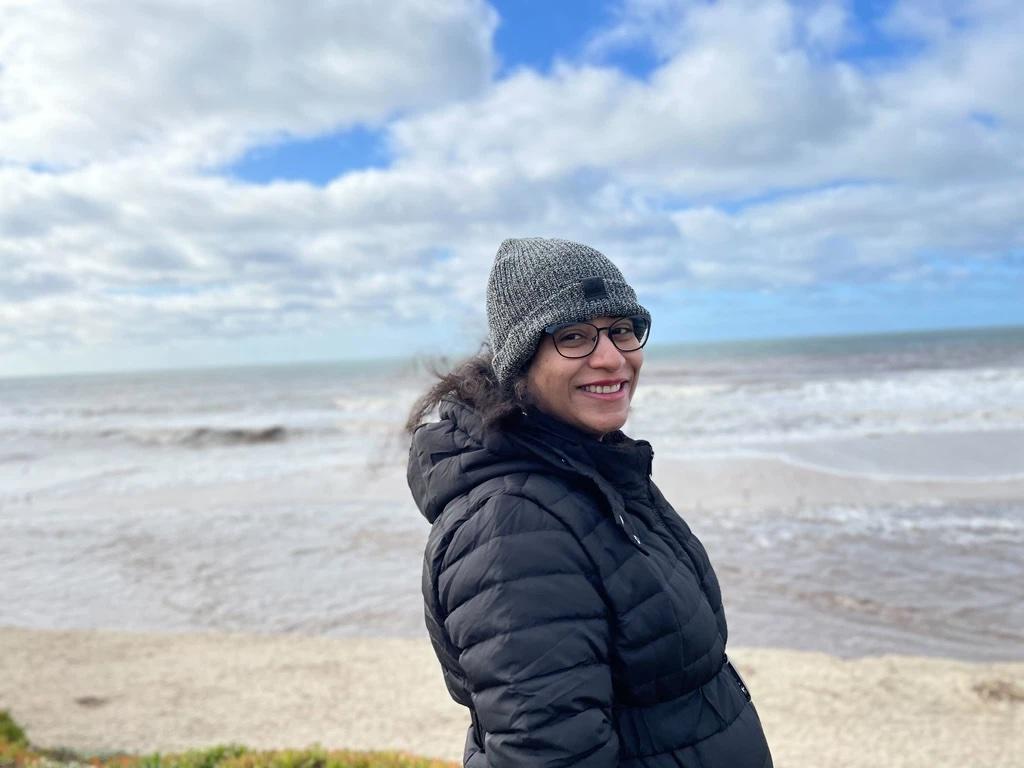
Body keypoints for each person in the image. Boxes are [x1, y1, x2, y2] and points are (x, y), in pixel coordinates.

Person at [406, 238, 773, 767]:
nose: (611, 358)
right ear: (521, 363)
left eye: (621, 330)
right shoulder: (514, 526)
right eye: (573, 337)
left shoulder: (598, 472)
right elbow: (546, 754)